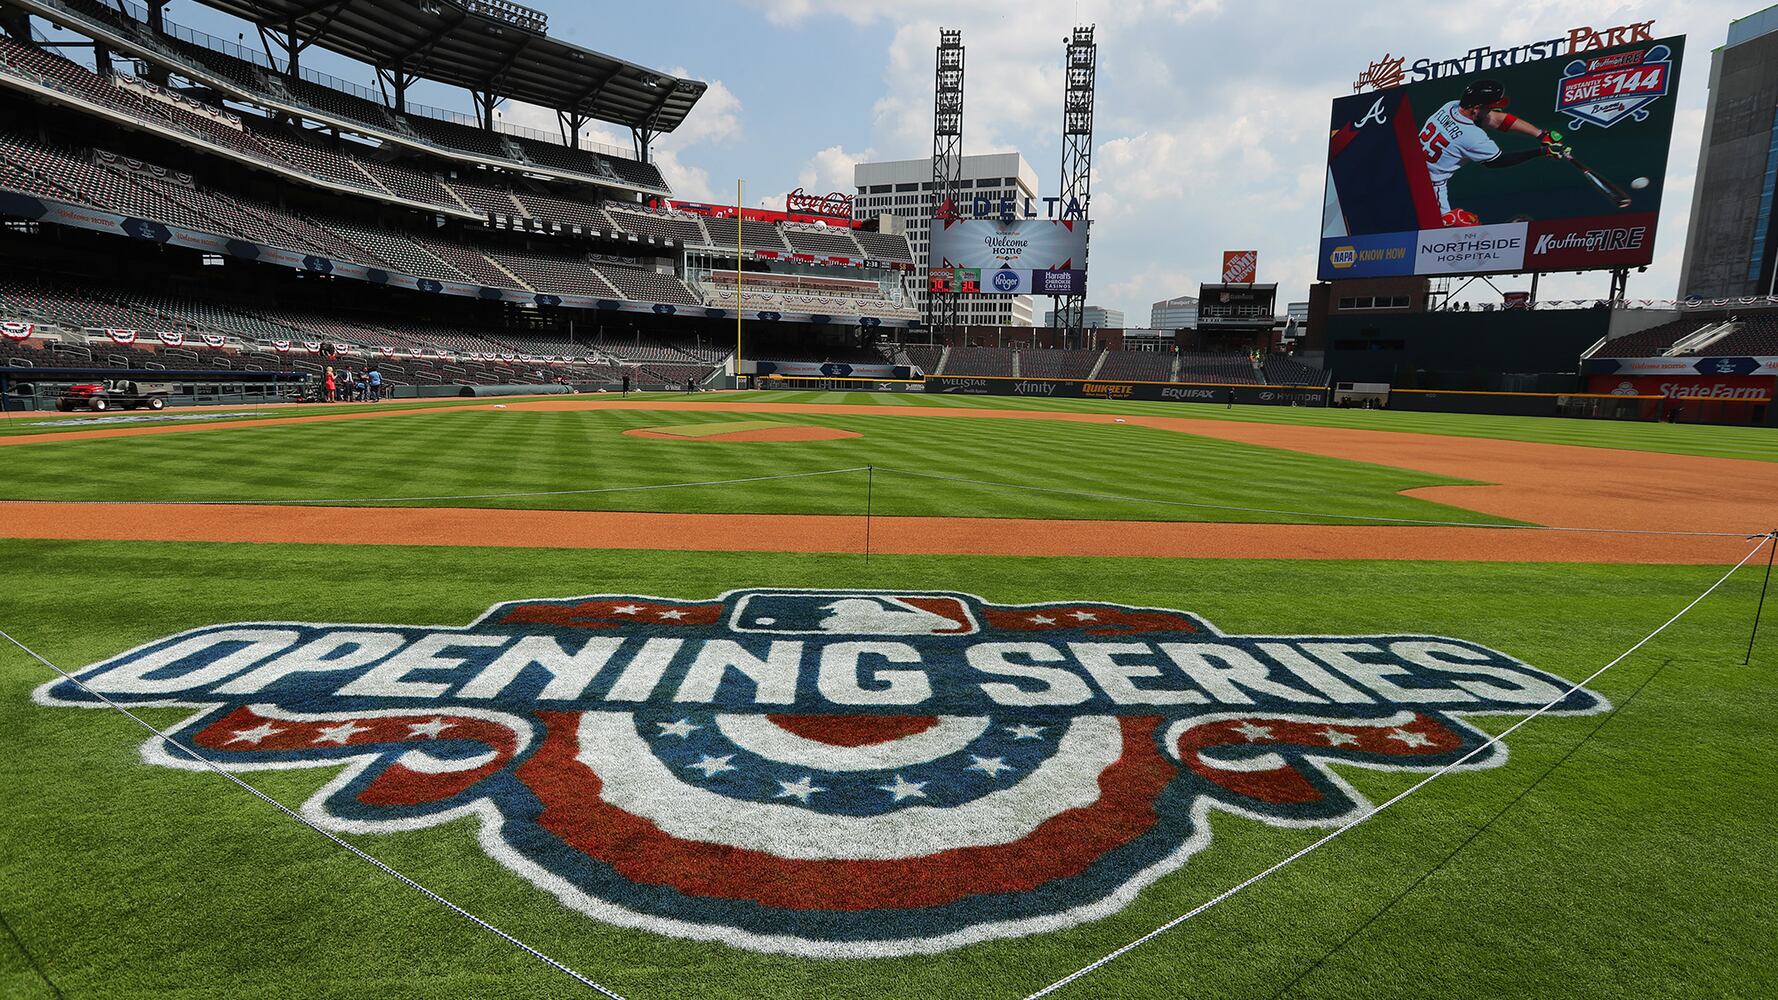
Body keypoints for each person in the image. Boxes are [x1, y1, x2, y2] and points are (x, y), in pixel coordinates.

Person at [1419, 79, 1570, 227]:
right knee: (1446, 230)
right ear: (1476, 108)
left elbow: (1496, 119)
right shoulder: (1472, 136)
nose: (1492, 111)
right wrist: (1541, 151)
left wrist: (1541, 134)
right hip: (1428, 187)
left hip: (1411, 169)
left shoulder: (1450, 106)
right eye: (1489, 107)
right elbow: (1498, 161)